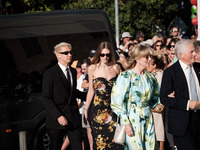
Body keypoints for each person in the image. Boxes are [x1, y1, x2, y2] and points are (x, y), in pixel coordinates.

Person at [111, 44, 160, 150]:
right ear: (137, 58)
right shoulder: (126, 76)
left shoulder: (150, 77)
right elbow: (116, 102)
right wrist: (126, 122)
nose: (149, 59)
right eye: (146, 57)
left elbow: (155, 98)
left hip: (148, 118)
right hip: (132, 119)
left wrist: (166, 97)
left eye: (150, 57)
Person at [43, 42, 86, 150]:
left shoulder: (72, 71)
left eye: (70, 52)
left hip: (73, 116)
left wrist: (91, 95)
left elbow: (72, 92)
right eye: (66, 53)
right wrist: (58, 116)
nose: (69, 55)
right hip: (57, 118)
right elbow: (46, 97)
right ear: (58, 55)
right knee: (56, 147)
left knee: (78, 146)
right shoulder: (50, 73)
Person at [160, 39, 200, 150]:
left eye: (195, 51)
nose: (195, 54)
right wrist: (187, 103)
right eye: (191, 52)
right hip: (182, 124)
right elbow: (164, 99)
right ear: (181, 54)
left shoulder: (198, 68)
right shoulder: (170, 72)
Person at [84, 41, 123, 150]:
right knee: (100, 143)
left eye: (108, 55)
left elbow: (121, 90)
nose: (105, 57)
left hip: (113, 109)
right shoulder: (92, 68)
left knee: (116, 143)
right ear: (99, 55)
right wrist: (86, 109)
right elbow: (91, 90)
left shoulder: (116, 68)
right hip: (98, 111)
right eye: (102, 55)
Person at [146, 50, 166, 150]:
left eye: (149, 64)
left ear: (154, 65)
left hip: (157, 106)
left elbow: (160, 92)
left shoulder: (159, 75)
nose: (146, 66)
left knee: (159, 130)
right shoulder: (148, 75)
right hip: (150, 106)